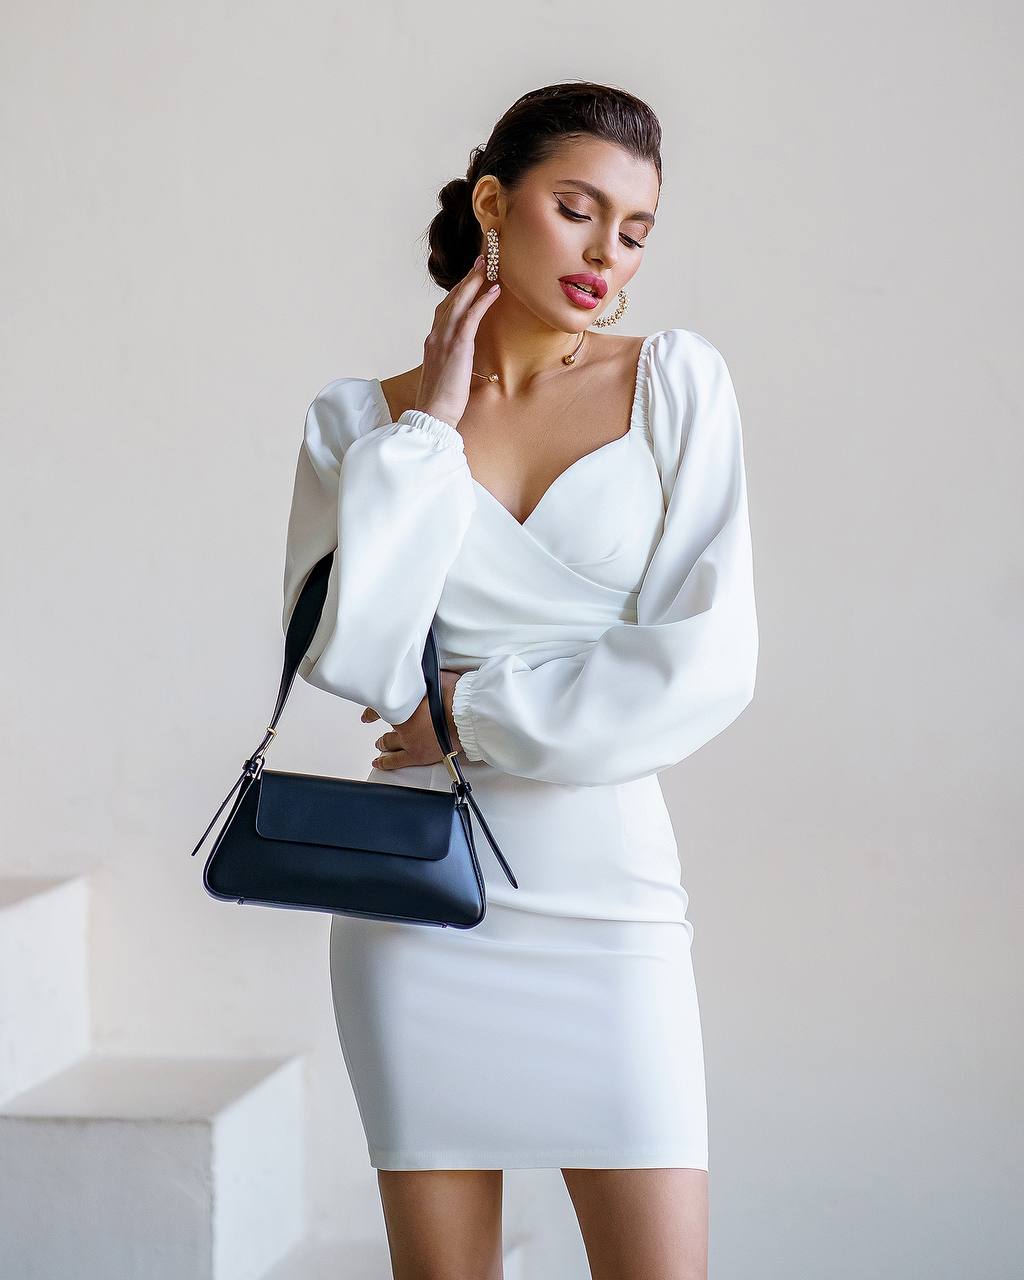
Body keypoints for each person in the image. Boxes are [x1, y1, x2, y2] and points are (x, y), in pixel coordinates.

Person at [282, 80, 758, 1280]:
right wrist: (429, 433)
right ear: (495, 203)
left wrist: (467, 712)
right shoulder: (363, 425)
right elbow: (360, 661)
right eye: (577, 207)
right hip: (421, 910)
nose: (609, 253)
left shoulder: (676, 387)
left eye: (635, 229)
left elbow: (705, 660)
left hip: (611, 896)